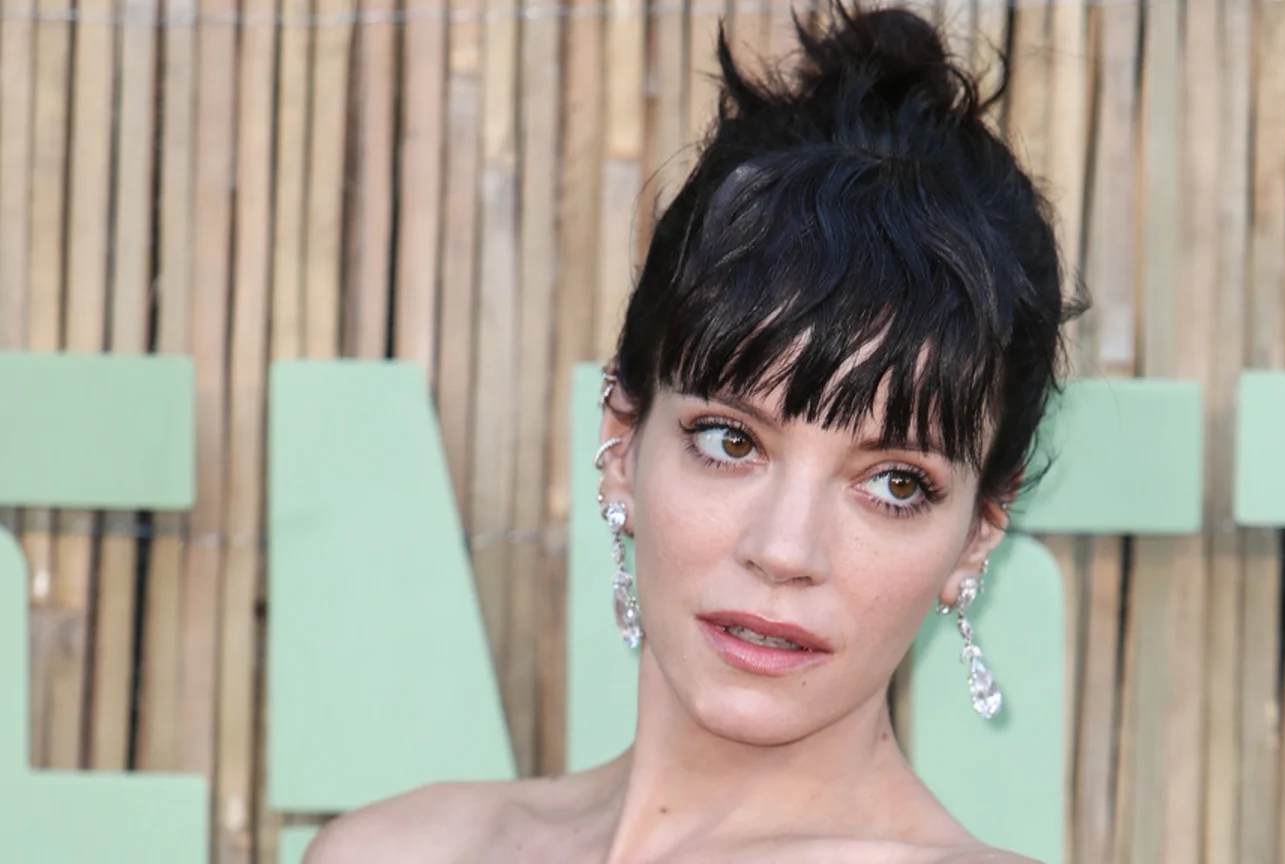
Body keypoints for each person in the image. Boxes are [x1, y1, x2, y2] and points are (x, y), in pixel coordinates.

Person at [304, 3, 1082, 861]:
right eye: (731, 441)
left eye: (895, 483)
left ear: (977, 535)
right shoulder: (395, 850)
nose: (785, 550)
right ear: (622, 443)